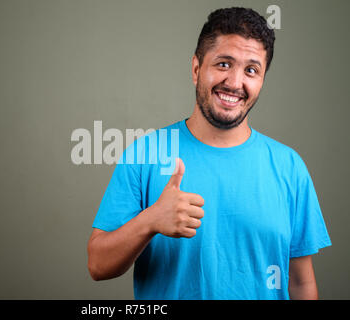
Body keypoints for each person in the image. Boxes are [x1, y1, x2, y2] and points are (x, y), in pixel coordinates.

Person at [87, 7, 331, 300]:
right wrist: (150, 220)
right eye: (224, 64)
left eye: (251, 70)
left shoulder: (290, 167)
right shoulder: (145, 155)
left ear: (262, 80)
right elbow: (98, 265)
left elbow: (301, 284)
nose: (235, 82)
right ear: (196, 69)